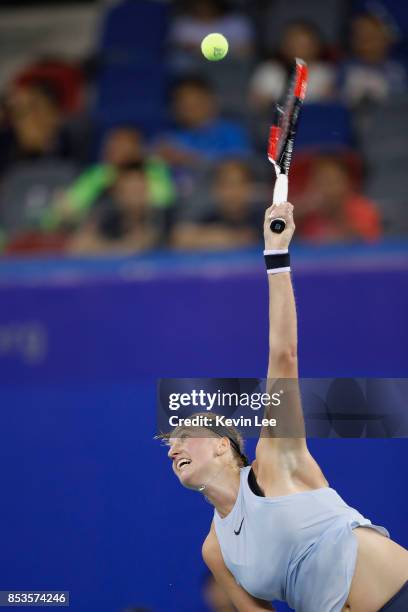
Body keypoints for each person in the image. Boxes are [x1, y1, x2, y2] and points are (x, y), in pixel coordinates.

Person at [160, 201, 408, 611]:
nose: (173, 449)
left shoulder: (276, 455)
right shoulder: (215, 551)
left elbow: (284, 356)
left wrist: (276, 256)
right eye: (170, 445)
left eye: (185, 437)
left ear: (223, 443)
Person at [67, 162, 161, 255]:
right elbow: (79, 246)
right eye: (131, 191)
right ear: (119, 193)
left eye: (140, 190)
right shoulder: (107, 215)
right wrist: (124, 247)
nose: (136, 198)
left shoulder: (159, 217)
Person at [171, 159, 263, 250]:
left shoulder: (263, 218)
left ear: (250, 187)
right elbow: (180, 238)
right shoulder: (210, 217)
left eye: (239, 184)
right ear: (215, 189)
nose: (233, 192)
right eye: (226, 185)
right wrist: (229, 237)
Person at [249, 20, 336, 111]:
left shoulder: (325, 73)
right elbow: (256, 105)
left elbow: (328, 106)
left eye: (305, 45)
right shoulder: (269, 70)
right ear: (284, 45)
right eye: (295, 43)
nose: (300, 49)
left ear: (316, 46)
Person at [293, 154, 381, 242]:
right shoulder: (307, 209)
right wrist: (303, 209)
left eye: (332, 182)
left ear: (346, 183)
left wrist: (337, 214)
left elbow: (367, 244)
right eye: (321, 181)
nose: (327, 189)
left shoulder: (363, 208)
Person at [339, 12, 408, 107]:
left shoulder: (400, 69)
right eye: (359, 36)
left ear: (387, 38)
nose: (365, 41)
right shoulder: (343, 69)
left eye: (371, 35)